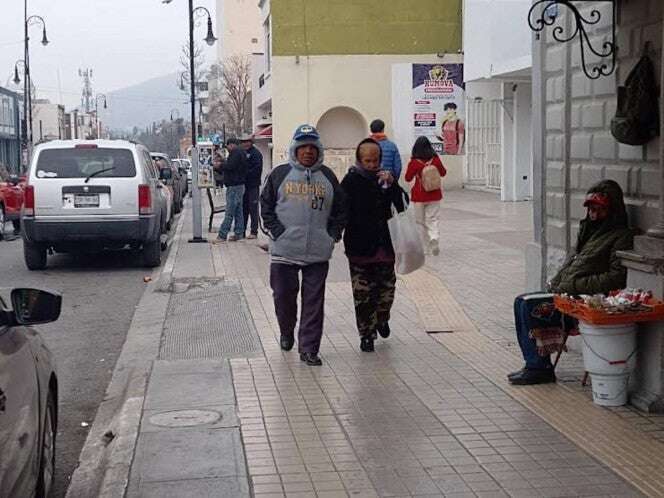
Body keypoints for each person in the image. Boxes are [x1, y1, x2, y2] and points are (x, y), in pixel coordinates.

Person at [509, 180, 635, 385]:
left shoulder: (620, 236)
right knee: (521, 301)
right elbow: (571, 264)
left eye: (599, 210)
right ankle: (534, 363)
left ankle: (539, 368)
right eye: (591, 209)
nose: (593, 214)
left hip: (587, 300)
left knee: (529, 305)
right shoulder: (589, 232)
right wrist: (557, 283)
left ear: (611, 210)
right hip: (568, 295)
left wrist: (575, 285)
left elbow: (616, 276)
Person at [260, 124, 346, 366]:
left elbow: (341, 210)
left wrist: (332, 235)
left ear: (318, 149)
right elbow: (264, 207)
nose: (308, 151)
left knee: (314, 303)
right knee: (284, 298)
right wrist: (277, 233)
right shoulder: (279, 175)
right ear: (295, 149)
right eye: (303, 147)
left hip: (317, 254)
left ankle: (309, 348)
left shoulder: (328, 177)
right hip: (284, 252)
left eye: (312, 147)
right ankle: (286, 331)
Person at [341, 138, 406, 352]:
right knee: (363, 295)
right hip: (360, 249)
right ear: (359, 160)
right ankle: (366, 335)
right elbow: (340, 210)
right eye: (367, 160)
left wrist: (393, 184)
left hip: (385, 247)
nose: (372, 164)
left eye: (375, 160)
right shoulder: (350, 181)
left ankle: (382, 318)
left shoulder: (385, 180)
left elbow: (403, 204)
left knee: (387, 291)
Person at [404, 136, 447, 256]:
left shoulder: (414, 162)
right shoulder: (436, 159)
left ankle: (425, 248)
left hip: (419, 196)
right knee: (433, 219)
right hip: (435, 195)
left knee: (420, 222)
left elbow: (407, 178)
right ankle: (434, 238)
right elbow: (443, 173)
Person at [214, 138, 248, 242]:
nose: (227, 149)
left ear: (231, 145)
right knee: (239, 211)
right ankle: (239, 233)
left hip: (234, 186)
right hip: (240, 185)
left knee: (230, 211)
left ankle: (222, 234)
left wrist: (220, 165)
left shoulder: (236, 153)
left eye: (227, 147)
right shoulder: (242, 152)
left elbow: (230, 166)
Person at [240, 134, 264, 239]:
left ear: (251, 142)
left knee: (253, 208)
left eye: (247, 141)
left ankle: (254, 232)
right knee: (243, 209)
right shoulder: (242, 153)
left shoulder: (256, 153)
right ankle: (242, 231)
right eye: (243, 141)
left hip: (253, 185)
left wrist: (246, 174)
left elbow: (257, 169)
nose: (245, 143)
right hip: (243, 185)